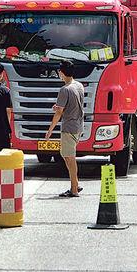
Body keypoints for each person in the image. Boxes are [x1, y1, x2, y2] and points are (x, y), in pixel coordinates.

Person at [44, 59, 84, 198]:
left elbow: (59, 112)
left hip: (68, 127)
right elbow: (69, 106)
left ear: (61, 73)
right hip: (79, 125)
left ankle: (74, 188)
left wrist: (49, 131)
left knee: (69, 158)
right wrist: (59, 107)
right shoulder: (78, 85)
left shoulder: (64, 89)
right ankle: (75, 184)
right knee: (67, 157)